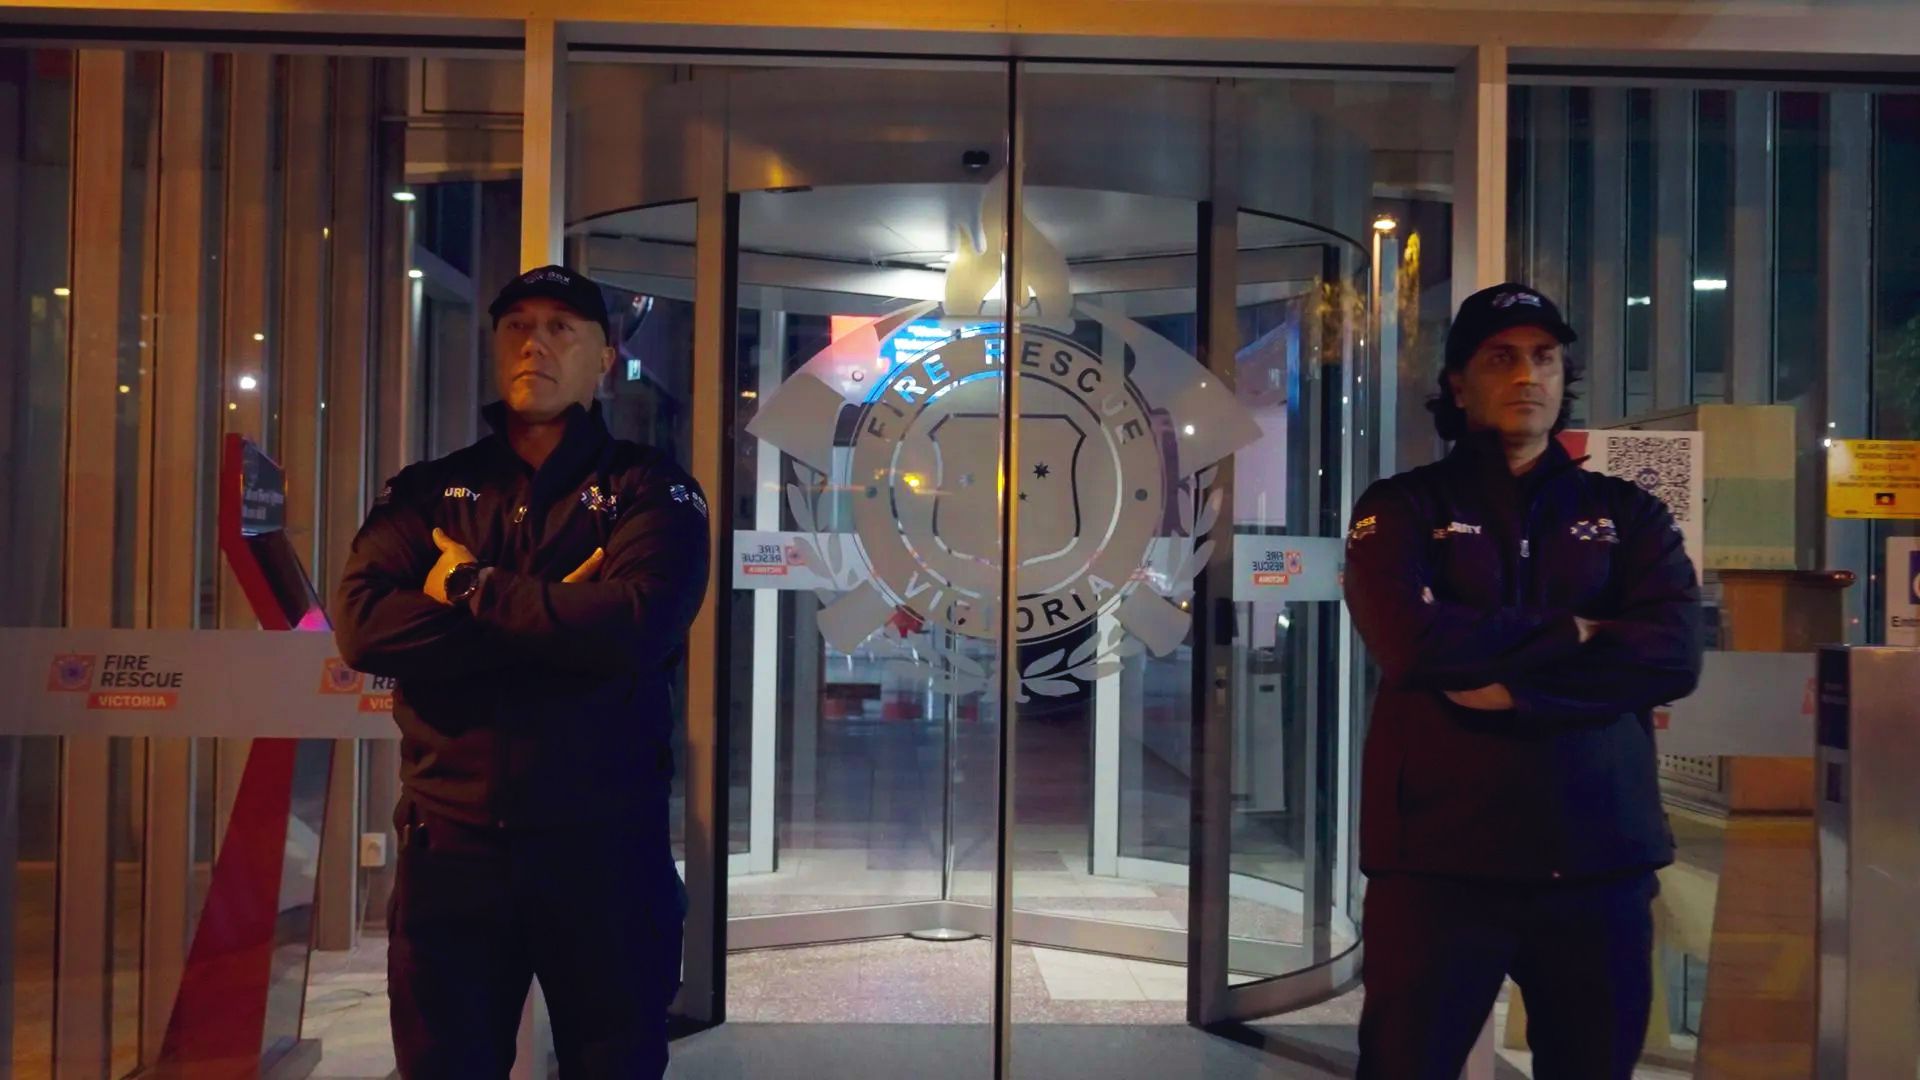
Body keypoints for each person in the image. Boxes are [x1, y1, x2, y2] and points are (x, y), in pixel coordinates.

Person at [332, 264, 709, 1078]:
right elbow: (362, 629)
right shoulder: (428, 492)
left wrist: (471, 588)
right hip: (450, 849)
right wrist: (555, 619)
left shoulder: (652, 490)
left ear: (603, 358)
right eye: (517, 326)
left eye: (561, 327)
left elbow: (635, 626)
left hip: (605, 848)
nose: (535, 342)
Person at [1343, 283, 1703, 1079]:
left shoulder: (1629, 514)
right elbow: (1411, 645)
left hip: (1599, 861)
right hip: (1437, 866)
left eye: (1543, 358)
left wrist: (1518, 690)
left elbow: (1673, 655)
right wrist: (1576, 630)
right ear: (1458, 384)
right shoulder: (1401, 507)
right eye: (1501, 358)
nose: (1527, 375)